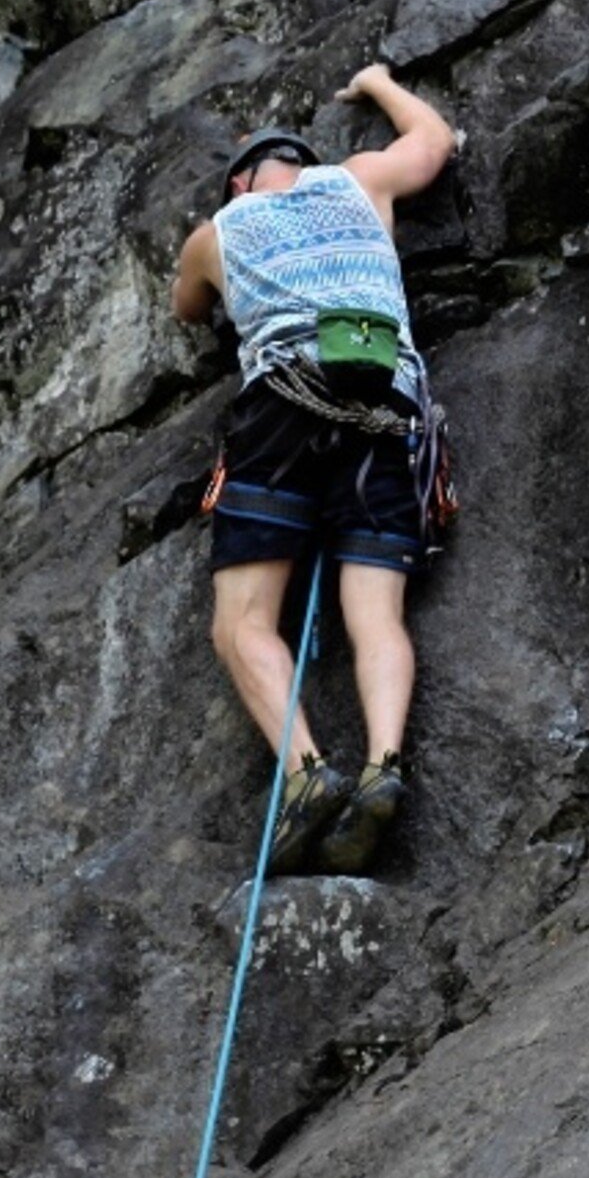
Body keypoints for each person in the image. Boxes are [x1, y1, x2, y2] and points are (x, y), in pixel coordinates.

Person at [172, 63, 457, 878]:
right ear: (305, 162)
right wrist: (379, 81)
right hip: (384, 404)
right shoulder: (360, 180)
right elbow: (433, 141)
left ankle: (305, 775)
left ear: (240, 179)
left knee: (241, 623)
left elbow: (186, 307)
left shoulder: (220, 230)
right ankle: (384, 765)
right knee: (376, 616)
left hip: (283, 409)